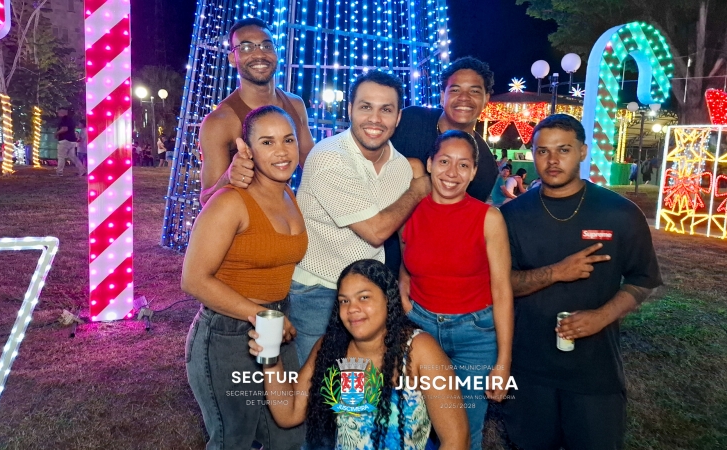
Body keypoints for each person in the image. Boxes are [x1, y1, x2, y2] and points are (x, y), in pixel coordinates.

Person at [226, 70, 432, 366]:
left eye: (386, 109)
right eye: (365, 107)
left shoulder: (401, 167)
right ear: (350, 109)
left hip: (367, 292)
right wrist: (418, 189)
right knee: (314, 380)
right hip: (318, 291)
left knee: (358, 377)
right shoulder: (329, 156)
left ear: (398, 117)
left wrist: (404, 276)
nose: (375, 119)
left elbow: (402, 231)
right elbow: (376, 231)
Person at [499, 114, 663, 450]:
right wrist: (557, 271)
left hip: (594, 371)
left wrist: (601, 317)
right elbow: (501, 286)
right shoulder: (512, 215)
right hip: (529, 369)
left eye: (563, 150)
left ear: (583, 151)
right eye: (542, 151)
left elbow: (643, 278)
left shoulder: (619, 213)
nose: (552, 160)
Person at [181, 106, 307, 450]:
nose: (281, 151)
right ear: (247, 150)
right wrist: (263, 316)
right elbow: (193, 280)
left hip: (277, 324)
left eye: (288, 140)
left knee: (288, 437)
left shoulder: (288, 194)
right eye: (267, 142)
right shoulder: (230, 202)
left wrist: (273, 319)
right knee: (233, 439)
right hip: (229, 334)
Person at [248, 259, 470, 450]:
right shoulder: (332, 347)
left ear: (388, 299)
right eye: (344, 301)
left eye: (363, 297)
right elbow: (288, 413)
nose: (352, 308)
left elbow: (456, 440)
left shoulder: (420, 349)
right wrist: (270, 359)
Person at [399, 130, 514, 450]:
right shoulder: (408, 210)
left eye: (463, 165)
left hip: (475, 337)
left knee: (465, 431)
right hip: (421, 329)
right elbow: (408, 257)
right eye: (444, 162)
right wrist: (404, 282)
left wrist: (503, 361)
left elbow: (502, 291)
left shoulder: (489, 218)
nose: (452, 172)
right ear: (430, 164)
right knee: (415, 426)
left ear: (473, 172)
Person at [386, 56, 497, 274]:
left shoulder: (484, 165)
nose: (464, 98)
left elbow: (459, 225)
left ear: (486, 99)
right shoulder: (410, 120)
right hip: (372, 243)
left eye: (474, 91)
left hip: (422, 267)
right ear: (442, 96)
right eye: (455, 90)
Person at [200, 17, 315, 205]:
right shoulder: (220, 121)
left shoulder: (295, 104)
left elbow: (313, 167)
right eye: (246, 47)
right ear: (232, 58)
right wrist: (229, 177)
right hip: (243, 220)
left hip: (285, 213)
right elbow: (206, 200)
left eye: (266, 46)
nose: (259, 54)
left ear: (276, 53)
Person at [55, 107, 86, 176]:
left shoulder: (64, 119)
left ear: (62, 112)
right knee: (73, 156)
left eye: (58, 112)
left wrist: (56, 133)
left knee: (61, 156)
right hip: (72, 141)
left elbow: (64, 129)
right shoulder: (71, 120)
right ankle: (82, 170)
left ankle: (59, 172)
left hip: (65, 140)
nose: (58, 114)